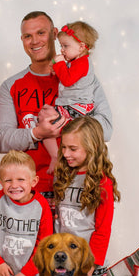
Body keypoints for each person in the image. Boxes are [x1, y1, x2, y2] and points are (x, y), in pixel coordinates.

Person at [0, 11, 112, 207]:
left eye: (41, 33)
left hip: (77, 191)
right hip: (29, 194)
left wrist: (64, 123)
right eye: (27, 36)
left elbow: (106, 129)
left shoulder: (83, 80)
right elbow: (2, 141)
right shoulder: (11, 86)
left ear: (54, 34)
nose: (34, 41)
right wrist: (36, 133)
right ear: (22, 40)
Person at [53, 116, 121, 276]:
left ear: (91, 148)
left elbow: (102, 231)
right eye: (64, 148)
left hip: (87, 266)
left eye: (73, 149)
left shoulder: (102, 182)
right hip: (61, 264)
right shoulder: (65, 174)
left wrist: (88, 269)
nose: (66, 154)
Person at [40, 20, 99, 174]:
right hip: (70, 105)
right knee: (45, 115)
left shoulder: (83, 63)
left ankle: (55, 157)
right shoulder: (74, 62)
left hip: (78, 109)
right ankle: (55, 156)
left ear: (81, 47)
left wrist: (59, 64)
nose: (62, 50)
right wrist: (56, 64)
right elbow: (63, 72)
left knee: (47, 119)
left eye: (66, 46)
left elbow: (67, 80)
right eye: (61, 46)